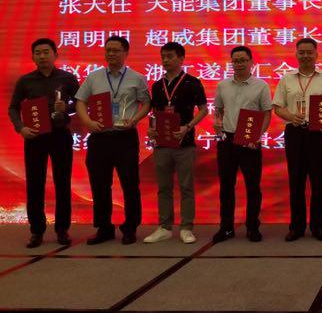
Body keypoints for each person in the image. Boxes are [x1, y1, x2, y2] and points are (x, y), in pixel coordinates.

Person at [75, 36, 151, 245]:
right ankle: (104, 228)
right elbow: (80, 101)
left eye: (116, 50)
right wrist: (88, 122)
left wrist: (135, 119)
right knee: (99, 184)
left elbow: (146, 103)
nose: (111, 54)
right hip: (99, 137)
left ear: (126, 53)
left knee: (130, 183)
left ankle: (130, 227)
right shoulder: (94, 77)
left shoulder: (137, 78)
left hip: (125, 137)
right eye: (108, 50)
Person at [8, 38, 80, 248]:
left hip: (60, 135)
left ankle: (62, 229)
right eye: (38, 53)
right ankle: (36, 231)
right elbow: (13, 107)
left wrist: (67, 107)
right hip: (35, 138)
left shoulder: (67, 78)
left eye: (46, 52)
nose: (42, 56)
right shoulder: (25, 81)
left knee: (62, 183)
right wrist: (21, 128)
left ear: (55, 54)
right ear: (33, 57)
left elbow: (80, 103)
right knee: (35, 184)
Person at [273, 38, 322, 242]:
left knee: (319, 181)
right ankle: (296, 227)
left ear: (316, 54)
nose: (305, 56)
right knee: (296, 181)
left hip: (318, 134)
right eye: (301, 52)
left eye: (309, 52)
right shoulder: (286, 79)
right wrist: (290, 116)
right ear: (296, 54)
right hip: (295, 132)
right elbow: (277, 107)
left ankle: (319, 227)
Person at [144, 42, 208, 244]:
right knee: (163, 188)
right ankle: (164, 227)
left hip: (184, 142)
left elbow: (204, 110)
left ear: (181, 58)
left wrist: (187, 127)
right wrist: (151, 129)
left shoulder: (192, 82)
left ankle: (186, 228)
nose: (165, 60)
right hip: (161, 144)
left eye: (170, 56)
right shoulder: (157, 85)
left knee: (186, 187)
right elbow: (155, 113)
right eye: (163, 56)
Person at [212, 46, 272, 243]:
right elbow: (218, 109)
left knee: (253, 186)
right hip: (227, 140)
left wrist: (258, 136)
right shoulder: (223, 85)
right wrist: (217, 122)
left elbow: (267, 113)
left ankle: (252, 227)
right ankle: (226, 227)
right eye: (235, 61)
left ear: (251, 62)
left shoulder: (261, 86)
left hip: (249, 140)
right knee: (226, 186)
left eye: (242, 60)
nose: (238, 64)